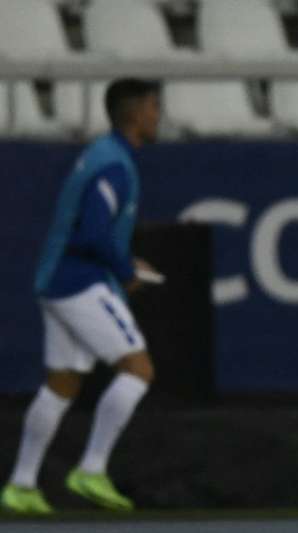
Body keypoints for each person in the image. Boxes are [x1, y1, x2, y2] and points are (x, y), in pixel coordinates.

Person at [1, 79, 162, 514]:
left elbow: (92, 228)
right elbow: (92, 233)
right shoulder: (113, 164)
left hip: (56, 282)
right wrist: (125, 271)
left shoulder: (102, 155)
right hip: (80, 284)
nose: (158, 116)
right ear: (134, 113)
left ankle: (20, 485)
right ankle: (92, 469)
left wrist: (125, 261)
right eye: (153, 107)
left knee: (61, 385)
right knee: (138, 370)